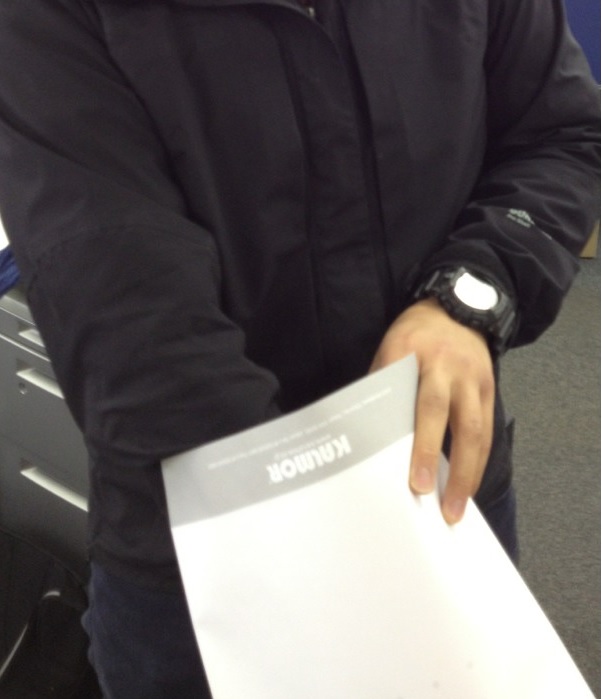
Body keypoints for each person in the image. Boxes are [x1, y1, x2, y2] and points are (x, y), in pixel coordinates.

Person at [0, 0, 598, 697]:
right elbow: (126, 306)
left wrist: (468, 296)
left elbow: (559, 132)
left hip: (442, 483)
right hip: (208, 554)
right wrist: (324, 527)